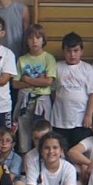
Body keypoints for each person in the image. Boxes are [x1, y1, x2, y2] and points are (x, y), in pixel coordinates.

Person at [51, 32, 93, 148]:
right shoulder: (57, 67)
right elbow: (53, 91)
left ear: (81, 51)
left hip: (81, 120)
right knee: (61, 151)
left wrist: (89, 115)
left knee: (78, 151)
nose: (72, 54)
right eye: (68, 51)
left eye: (76, 51)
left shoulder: (87, 69)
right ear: (63, 51)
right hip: (60, 120)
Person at [14, 24, 58, 152]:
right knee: (24, 133)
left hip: (42, 99)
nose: (34, 41)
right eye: (31, 38)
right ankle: (25, 160)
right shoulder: (22, 60)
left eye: (38, 38)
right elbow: (15, 83)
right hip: (25, 99)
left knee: (44, 132)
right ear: (26, 41)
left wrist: (27, 79)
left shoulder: (48, 58)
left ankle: (45, 157)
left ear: (43, 40)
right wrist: (38, 81)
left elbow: (48, 81)